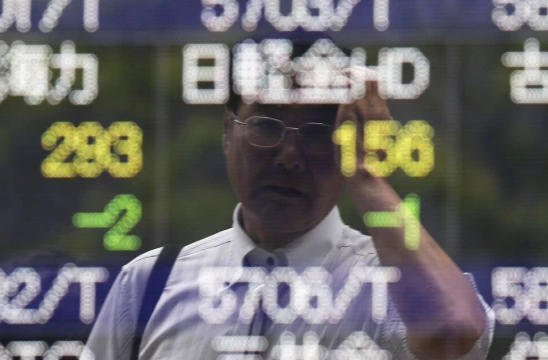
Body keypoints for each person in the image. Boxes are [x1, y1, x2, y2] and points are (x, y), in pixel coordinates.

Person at [87, 33, 495, 360]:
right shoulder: (151, 283)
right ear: (228, 130)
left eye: (318, 133)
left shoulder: (390, 283)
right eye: (267, 125)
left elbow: (454, 330)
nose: (289, 157)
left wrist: (368, 175)